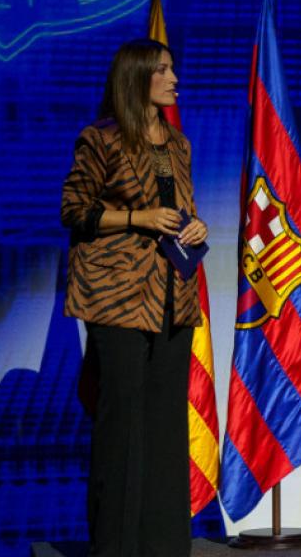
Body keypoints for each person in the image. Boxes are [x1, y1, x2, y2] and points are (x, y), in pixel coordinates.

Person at [61, 38, 209, 557]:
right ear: (138, 77)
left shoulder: (178, 143)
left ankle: (166, 546)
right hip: (116, 297)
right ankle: (116, 547)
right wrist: (138, 219)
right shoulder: (100, 139)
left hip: (174, 296)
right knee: (122, 424)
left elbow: (181, 207)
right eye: (163, 71)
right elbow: (74, 210)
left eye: (172, 69)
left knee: (167, 424)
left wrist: (196, 227)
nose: (174, 79)